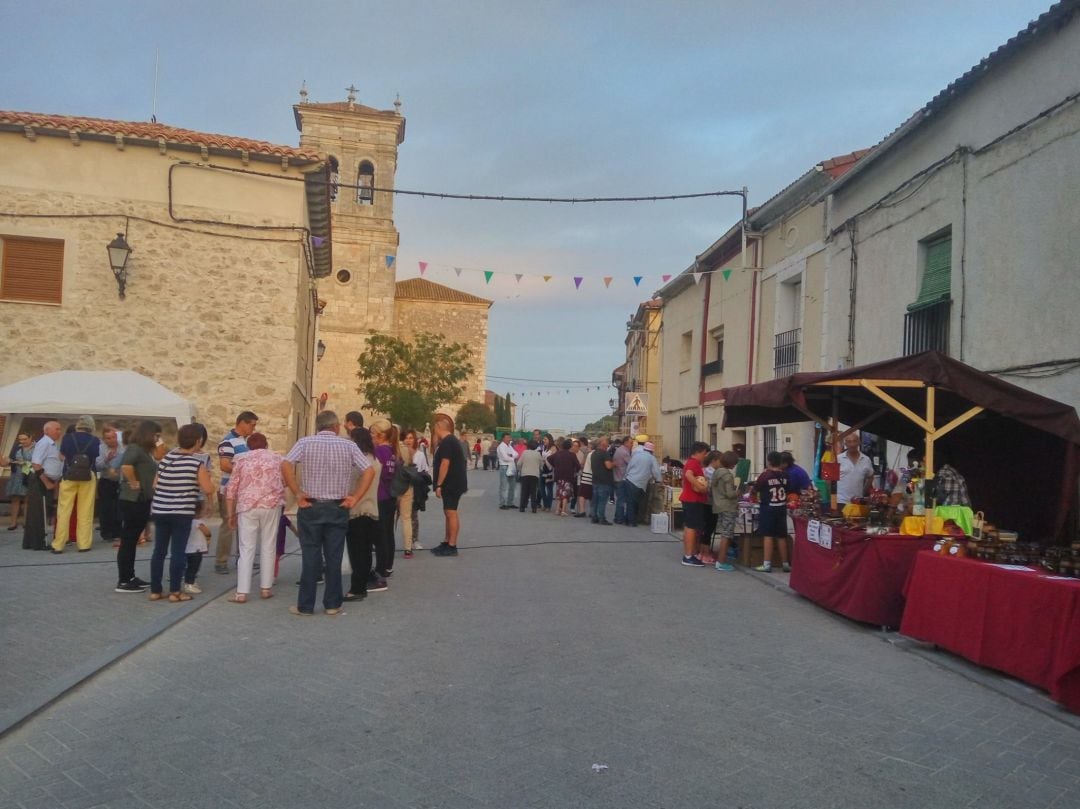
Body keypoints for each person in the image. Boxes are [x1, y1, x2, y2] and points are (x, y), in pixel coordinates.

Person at [282, 410, 376, 616]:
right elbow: (369, 470)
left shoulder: (304, 442)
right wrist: (355, 497)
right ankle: (333, 603)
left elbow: (286, 463)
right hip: (337, 506)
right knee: (334, 555)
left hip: (311, 505)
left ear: (318, 426)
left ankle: (305, 605)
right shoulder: (349, 445)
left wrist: (298, 492)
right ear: (336, 426)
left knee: (310, 555)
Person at [148, 423, 216, 601]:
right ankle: (175, 591)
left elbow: (155, 484)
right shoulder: (196, 463)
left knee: (159, 551)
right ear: (197, 441)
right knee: (178, 552)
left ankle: (155, 590)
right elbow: (208, 488)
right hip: (181, 511)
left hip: (160, 509)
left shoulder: (165, 460)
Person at [225, 432, 284, 603]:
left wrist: (230, 514)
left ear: (248, 446)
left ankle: (242, 592)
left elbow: (231, 489)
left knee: (246, 548)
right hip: (271, 505)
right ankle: (266, 588)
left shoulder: (241, 460)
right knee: (268, 545)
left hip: (247, 506)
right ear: (266, 445)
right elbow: (285, 481)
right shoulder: (277, 458)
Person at [114, 421, 160, 592]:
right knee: (128, 539)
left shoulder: (145, 451)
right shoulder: (135, 448)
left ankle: (130, 576)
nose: (157, 439)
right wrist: (134, 482)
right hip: (133, 499)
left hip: (142, 499)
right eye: (156, 435)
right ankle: (124, 580)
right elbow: (126, 466)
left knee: (132, 540)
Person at [214, 411, 259, 574]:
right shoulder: (228, 441)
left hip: (244, 490)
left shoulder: (245, 442)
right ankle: (221, 561)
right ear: (242, 423)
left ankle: (244, 558)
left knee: (245, 525)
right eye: (252, 425)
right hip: (229, 490)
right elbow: (224, 465)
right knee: (228, 524)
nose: (253, 429)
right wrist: (245, 472)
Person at [52, 416, 101, 553]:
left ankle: (58, 545)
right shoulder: (95, 440)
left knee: (64, 510)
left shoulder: (67, 438)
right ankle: (84, 544)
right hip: (88, 475)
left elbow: (61, 456)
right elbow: (97, 458)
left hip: (69, 475)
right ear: (91, 426)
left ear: (78, 425)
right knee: (85, 510)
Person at [344, 427, 381, 600]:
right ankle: (364, 582)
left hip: (357, 510)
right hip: (372, 509)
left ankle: (356, 588)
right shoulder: (374, 460)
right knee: (365, 551)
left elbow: (351, 485)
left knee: (356, 552)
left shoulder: (360, 463)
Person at [431, 413, 468, 556]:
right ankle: (447, 541)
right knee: (448, 512)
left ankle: (452, 545)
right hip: (453, 483)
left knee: (451, 513)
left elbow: (445, 464)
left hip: (452, 483)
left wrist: (439, 484)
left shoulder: (447, 442)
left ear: (438, 427)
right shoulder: (449, 441)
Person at [369, 418, 399, 584]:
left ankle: (381, 568)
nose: (371, 437)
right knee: (388, 533)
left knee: (380, 535)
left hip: (380, 495)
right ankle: (388, 565)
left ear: (380, 435)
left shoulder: (380, 451)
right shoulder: (392, 451)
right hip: (389, 495)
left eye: (373, 434)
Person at [24, 422, 62, 551]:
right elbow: (36, 463)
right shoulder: (44, 443)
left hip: (47, 479)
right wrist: (46, 482)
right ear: (47, 431)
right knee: (38, 511)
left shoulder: (52, 444)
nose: (59, 431)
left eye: (59, 429)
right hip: (40, 480)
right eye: (56, 429)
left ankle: (30, 541)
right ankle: (38, 542)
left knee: (38, 511)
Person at [754, 451, 791, 573]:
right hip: (781, 507)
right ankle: (785, 563)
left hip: (768, 508)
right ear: (780, 462)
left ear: (768, 461)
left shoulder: (765, 475)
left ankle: (767, 564)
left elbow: (756, 488)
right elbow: (788, 489)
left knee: (768, 535)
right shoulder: (786, 475)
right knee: (781, 536)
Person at [679, 442, 710, 566]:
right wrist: (700, 487)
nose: (705, 456)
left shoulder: (691, 463)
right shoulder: (693, 463)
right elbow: (688, 475)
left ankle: (688, 553)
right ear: (699, 452)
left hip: (689, 499)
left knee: (689, 527)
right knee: (692, 527)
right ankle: (688, 556)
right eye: (704, 453)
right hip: (693, 500)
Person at [710, 451, 740, 571]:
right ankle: (721, 561)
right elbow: (729, 493)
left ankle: (721, 559)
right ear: (732, 463)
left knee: (723, 532)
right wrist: (737, 492)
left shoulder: (716, 472)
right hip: (728, 507)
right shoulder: (727, 475)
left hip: (718, 505)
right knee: (727, 534)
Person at [95, 426, 124, 547]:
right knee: (105, 507)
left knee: (118, 507)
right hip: (106, 480)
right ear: (104, 439)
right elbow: (97, 466)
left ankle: (118, 532)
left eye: (113, 437)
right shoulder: (101, 448)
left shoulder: (123, 448)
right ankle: (106, 532)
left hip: (119, 481)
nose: (111, 440)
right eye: (108, 438)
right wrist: (107, 459)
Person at [623, 439, 662, 527]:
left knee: (630, 502)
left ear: (644, 449)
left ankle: (628, 519)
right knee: (636, 502)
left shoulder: (636, 455)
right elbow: (656, 472)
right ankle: (632, 521)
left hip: (630, 480)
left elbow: (629, 466)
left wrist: (625, 477)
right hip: (640, 484)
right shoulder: (652, 458)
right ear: (651, 451)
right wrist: (659, 480)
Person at [3, 432, 35, 531]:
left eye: (25, 439)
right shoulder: (17, 447)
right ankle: (13, 523)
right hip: (16, 475)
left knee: (27, 499)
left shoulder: (37, 447)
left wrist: (25, 463)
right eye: (20, 439)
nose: (22, 441)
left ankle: (26, 522)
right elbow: (10, 459)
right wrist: (8, 460)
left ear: (31, 438)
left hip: (29, 474)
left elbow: (38, 462)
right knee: (15, 498)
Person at [837, 432, 874, 507]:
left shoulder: (866, 459)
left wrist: (863, 492)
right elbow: (829, 480)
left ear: (859, 442)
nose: (852, 444)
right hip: (841, 501)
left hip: (857, 502)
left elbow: (870, 476)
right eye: (849, 441)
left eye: (854, 441)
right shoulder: (838, 459)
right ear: (845, 444)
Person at [546, 438, 580, 517]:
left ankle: (558, 509)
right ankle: (563, 510)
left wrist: (556, 465)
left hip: (558, 475)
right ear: (570, 447)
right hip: (568, 476)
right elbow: (577, 465)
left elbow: (549, 458)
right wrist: (575, 470)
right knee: (565, 494)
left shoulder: (558, 453)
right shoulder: (572, 455)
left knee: (559, 492)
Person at [183, 518, 212, 594]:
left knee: (189, 567)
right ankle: (189, 584)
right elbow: (207, 532)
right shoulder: (198, 522)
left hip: (188, 548)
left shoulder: (187, 521)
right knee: (194, 567)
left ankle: (189, 581)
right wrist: (209, 536)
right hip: (196, 549)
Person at [590, 436, 615, 525]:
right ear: (602, 443)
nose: (608, 442)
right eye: (607, 441)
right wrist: (614, 463)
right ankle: (601, 518)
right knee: (602, 501)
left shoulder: (594, 453)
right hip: (604, 481)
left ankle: (594, 517)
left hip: (595, 480)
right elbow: (608, 466)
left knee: (595, 500)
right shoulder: (605, 453)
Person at [611, 436, 634, 524]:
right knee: (621, 499)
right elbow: (631, 464)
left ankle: (618, 517)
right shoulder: (624, 452)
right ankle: (619, 518)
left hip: (617, 477)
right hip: (621, 478)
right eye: (631, 442)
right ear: (626, 443)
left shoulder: (619, 449)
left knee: (619, 498)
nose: (632, 445)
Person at [517, 439, 542, 512]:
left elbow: (519, 463)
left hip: (525, 474)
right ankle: (534, 508)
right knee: (533, 492)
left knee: (524, 491)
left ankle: (522, 507)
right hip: (535, 475)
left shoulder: (525, 452)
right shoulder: (538, 454)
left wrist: (520, 469)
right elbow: (541, 465)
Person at [496, 432, 519, 509]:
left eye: (509, 437)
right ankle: (502, 503)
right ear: (503, 438)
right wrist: (512, 457)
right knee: (503, 486)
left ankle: (510, 502)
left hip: (511, 466)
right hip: (504, 467)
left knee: (512, 485)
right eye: (507, 438)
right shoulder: (501, 447)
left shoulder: (509, 446)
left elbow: (516, 454)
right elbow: (504, 458)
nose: (509, 439)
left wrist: (511, 456)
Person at [538, 435, 555, 512]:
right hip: (543, 469)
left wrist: (545, 460)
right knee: (541, 488)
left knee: (549, 489)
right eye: (543, 439)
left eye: (545, 439)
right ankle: (545, 504)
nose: (543, 440)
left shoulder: (553, 448)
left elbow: (554, 459)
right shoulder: (544, 448)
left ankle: (548, 506)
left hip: (550, 470)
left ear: (549, 439)